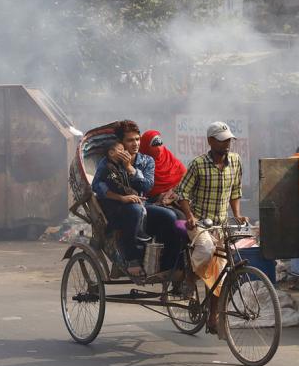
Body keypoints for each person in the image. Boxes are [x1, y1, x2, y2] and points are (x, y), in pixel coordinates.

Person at [176, 121, 248, 334]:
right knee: (206, 249)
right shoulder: (198, 164)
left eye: (228, 140)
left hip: (221, 223)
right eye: (221, 140)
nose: (226, 144)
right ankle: (189, 279)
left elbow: (236, 191)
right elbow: (182, 193)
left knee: (221, 274)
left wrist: (237, 214)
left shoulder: (235, 161)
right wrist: (189, 216)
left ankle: (213, 318)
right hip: (199, 222)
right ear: (210, 141)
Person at [92, 120, 183, 276]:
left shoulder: (147, 161)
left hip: (141, 204)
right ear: (121, 142)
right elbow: (97, 185)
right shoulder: (108, 161)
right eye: (130, 140)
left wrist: (129, 168)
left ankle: (166, 265)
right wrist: (121, 198)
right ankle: (132, 259)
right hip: (116, 207)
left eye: (137, 139)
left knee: (171, 216)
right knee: (133, 210)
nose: (135, 144)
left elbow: (147, 186)